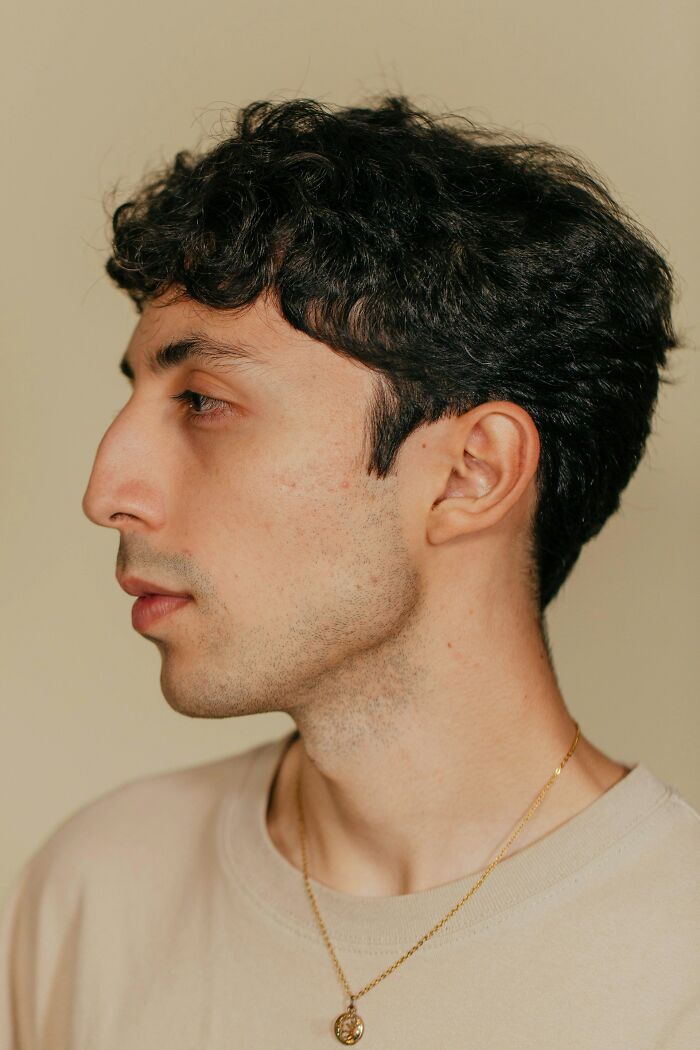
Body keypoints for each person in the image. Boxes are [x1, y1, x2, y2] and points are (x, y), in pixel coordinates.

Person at [1, 95, 697, 1049]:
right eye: (140, 396)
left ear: (470, 473)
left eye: (203, 400)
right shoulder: (95, 893)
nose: (108, 490)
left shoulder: (677, 968)